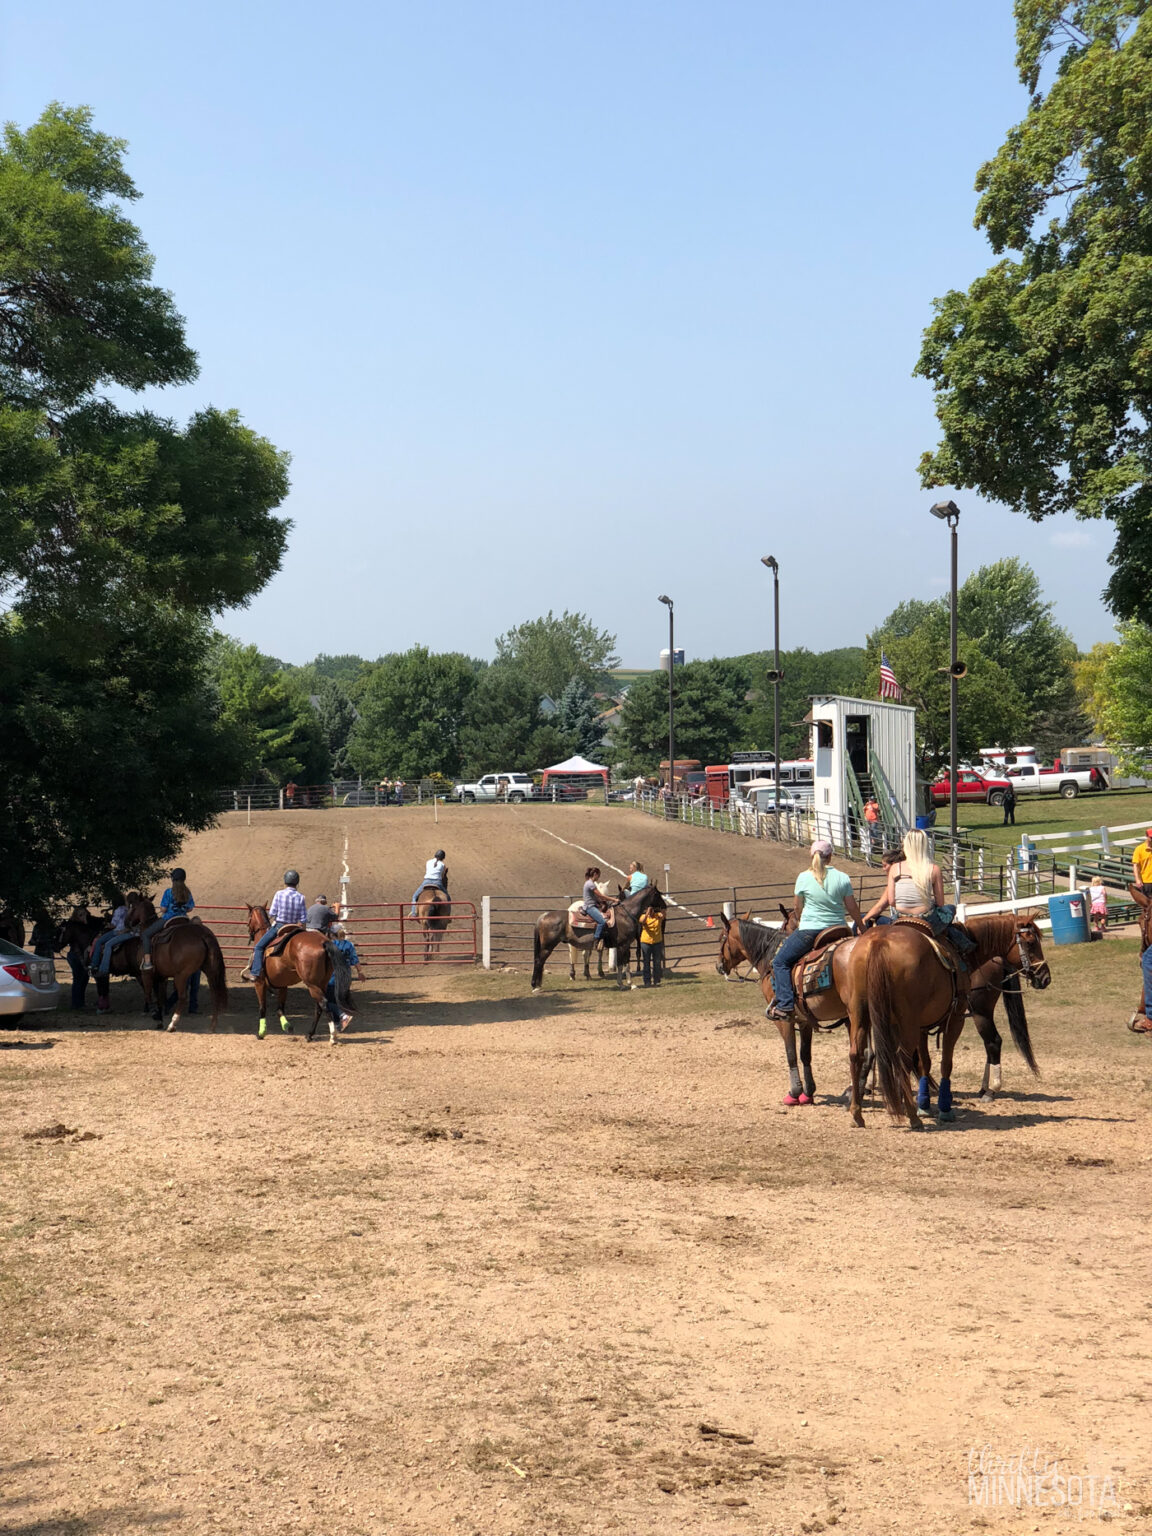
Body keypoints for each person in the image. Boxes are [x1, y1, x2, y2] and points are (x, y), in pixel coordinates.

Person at [769, 840, 864, 1021]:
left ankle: (786, 1004)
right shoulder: (842, 877)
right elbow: (852, 908)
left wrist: (800, 920)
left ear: (811, 856)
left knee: (780, 962)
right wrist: (862, 928)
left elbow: (798, 908)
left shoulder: (803, 878)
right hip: (839, 929)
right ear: (830, 857)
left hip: (810, 931)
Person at [872, 828, 976, 958]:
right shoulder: (933, 869)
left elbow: (892, 901)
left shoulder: (895, 868)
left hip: (901, 918)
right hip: (926, 920)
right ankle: (964, 946)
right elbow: (940, 903)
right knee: (951, 909)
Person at [243, 870, 307, 980]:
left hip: (280, 926)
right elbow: (303, 918)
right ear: (297, 882)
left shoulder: (279, 894)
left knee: (258, 947)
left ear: (285, 881)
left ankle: (255, 972)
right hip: (295, 928)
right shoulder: (301, 897)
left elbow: (272, 912)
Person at [140, 869, 195, 972]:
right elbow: (190, 908)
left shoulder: (169, 892)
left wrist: (163, 909)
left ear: (172, 879)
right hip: (184, 918)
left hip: (169, 918)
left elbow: (163, 909)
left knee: (146, 934)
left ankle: (147, 962)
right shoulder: (187, 892)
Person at [326, 920, 364, 1032]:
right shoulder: (349, 945)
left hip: (334, 974)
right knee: (341, 998)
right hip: (346, 974)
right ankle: (339, 1023)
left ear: (332, 934)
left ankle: (342, 1015)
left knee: (328, 999)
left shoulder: (330, 945)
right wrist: (360, 972)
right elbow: (355, 960)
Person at [90, 892, 130, 976]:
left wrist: (106, 924)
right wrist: (123, 895)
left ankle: (95, 965)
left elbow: (113, 925)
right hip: (124, 930)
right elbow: (126, 901)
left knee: (99, 942)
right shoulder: (127, 908)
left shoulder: (118, 910)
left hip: (117, 931)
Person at [581, 865, 614, 943]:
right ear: (595, 874)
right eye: (598, 875)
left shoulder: (588, 883)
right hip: (589, 907)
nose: (598, 878)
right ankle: (596, 939)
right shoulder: (591, 884)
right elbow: (601, 895)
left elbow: (596, 897)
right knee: (602, 921)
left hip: (591, 905)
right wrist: (614, 899)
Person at [639, 902, 665, 986]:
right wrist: (647, 914)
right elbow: (642, 922)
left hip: (657, 942)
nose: (651, 911)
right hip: (646, 942)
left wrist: (660, 911)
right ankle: (647, 981)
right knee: (646, 962)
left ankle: (656, 979)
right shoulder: (643, 917)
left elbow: (663, 915)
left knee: (657, 962)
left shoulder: (658, 916)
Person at [1132, 829, 1152, 895]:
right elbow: (1135, 865)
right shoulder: (1139, 849)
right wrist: (1137, 879)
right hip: (1147, 881)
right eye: (1151, 837)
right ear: (1146, 836)